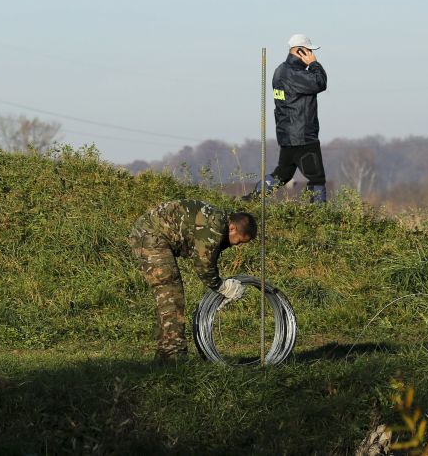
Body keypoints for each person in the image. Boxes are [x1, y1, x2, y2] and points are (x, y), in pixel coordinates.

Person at [128, 199, 257, 362]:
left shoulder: (219, 221)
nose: (237, 245)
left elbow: (208, 258)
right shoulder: (215, 226)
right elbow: (203, 265)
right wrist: (222, 287)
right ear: (232, 228)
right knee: (171, 297)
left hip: (151, 235)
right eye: (238, 240)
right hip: (150, 237)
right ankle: (173, 356)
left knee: (169, 297)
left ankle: (165, 354)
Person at [244, 33, 328, 203]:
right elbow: (320, 83)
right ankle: (319, 219)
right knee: (317, 180)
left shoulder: (280, 71)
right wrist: (314, 64)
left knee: (281, 175)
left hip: (287, 135)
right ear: (300, 51)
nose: (312, 54)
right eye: (309, 51)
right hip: (303, 137)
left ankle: (252, 200)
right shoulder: (294, 74)